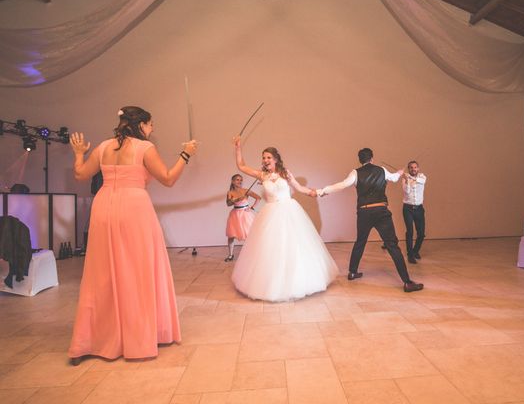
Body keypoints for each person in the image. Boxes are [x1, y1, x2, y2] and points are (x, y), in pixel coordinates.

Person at [68, 106, 198, 364]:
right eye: (150, 125)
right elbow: (169, 179)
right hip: (134, 209)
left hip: (103, 207)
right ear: (140, 125)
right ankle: (137, 337)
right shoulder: (144, 149)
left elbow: (81, 174)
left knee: (102, 273)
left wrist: (79, 154)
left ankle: (98, 338)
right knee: (137, 271)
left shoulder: (104, 147)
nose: (152, 129)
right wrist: (186, 154)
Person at [230, 136, 338, 301]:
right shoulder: (262, 176)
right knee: (270, 247)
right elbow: (241, 166)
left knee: (293, 245)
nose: (265, 160)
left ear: (275, 159)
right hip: (271, 212)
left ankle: (296, 281)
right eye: (263, 157)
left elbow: (299, 187)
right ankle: (270, 283)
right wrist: (238, 148)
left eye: (268, 157)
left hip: (288, 211)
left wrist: (314, 192)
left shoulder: (285, 173)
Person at [317, 148, 424, 293]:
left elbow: (342, 185)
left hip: (364, 212)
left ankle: (352, 272)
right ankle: (407, 282)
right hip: (381, 212)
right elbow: (394, 178)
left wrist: (323, 191)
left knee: (360, 242)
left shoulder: (355, 173)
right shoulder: (381, 170)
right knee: (392, 245)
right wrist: (399, 173)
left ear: (360, 160)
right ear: (372, 158)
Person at [224, 173, 261, 262]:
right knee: (231, 235)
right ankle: (230, 255)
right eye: (237, 180)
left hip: (245, 214)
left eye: (241, 180)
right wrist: (235, 200)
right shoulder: (230, 192)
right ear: (232, 182)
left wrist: (252, 207)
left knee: (249, 235)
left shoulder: (245, 190)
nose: (240, 181)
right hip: (235, 215)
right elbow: (228, 204)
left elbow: (258, 198)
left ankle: (252, 254)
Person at [402, 161, 427, 264]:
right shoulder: (404, 179)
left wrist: (412, 179)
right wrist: (408, 180)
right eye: (411, 168)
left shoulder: (422, 176)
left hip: (419, 208)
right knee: (410, 232)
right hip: (408, 208)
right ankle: (410, 255)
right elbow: (407, 192)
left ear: (418, 168)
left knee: (421, 233)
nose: (413, 169)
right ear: (409, 169)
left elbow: (422, 181)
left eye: (415, 167)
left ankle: (415, 251)